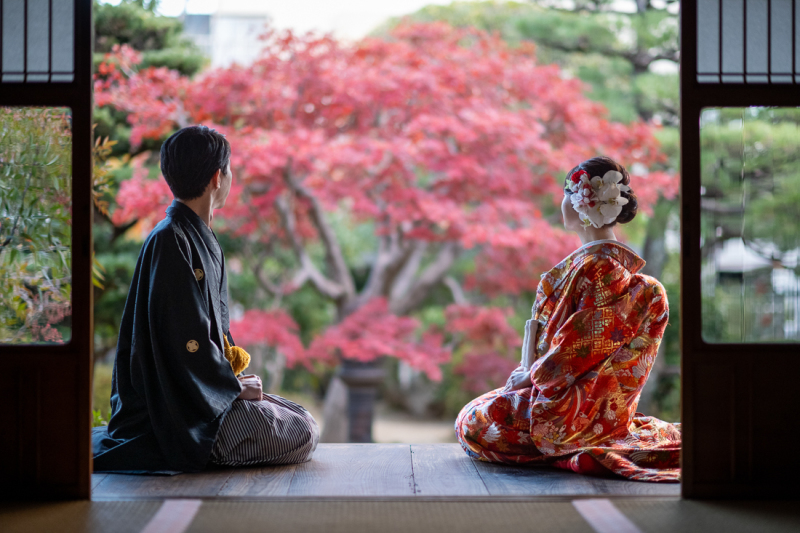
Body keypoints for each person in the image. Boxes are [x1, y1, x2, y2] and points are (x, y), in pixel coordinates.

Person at [93, 126, 319, 474]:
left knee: (298, 416)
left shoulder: (188, 233)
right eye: (229, 170)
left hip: (199, 392)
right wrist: (230, 388)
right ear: (217, 177)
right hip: (177, 411)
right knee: (301, 431)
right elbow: (188, 342)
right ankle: (205, 449)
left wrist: (231, 384)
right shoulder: (171, 240)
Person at [455, 156, 680, 482]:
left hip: (572, 408)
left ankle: (578, 453)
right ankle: (582, 452)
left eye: (566, 193)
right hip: (582, 401)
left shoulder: (603, 267)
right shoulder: (598, 264)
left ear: (582, 203)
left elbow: (576, 349)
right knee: (479, 413)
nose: (561, 202)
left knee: (475, 423)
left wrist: (531, 377)